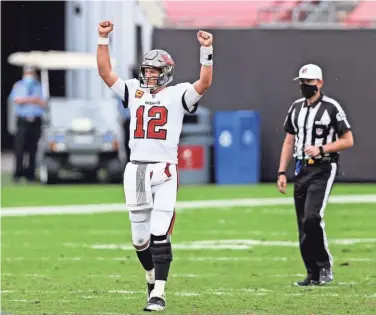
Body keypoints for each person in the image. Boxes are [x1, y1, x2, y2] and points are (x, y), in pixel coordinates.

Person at [96, 20, 213, 311]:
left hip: (164, 169)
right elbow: (105, 72)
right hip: (135, 169)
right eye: (146, 70)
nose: (148, 75)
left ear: (165, 73)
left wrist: (206, 50)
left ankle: (158, 293)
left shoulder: (178, 93)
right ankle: (150, 278)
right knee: (139, 239)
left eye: (153, 71)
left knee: (160, 231)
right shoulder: (134, 90)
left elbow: (204, 83)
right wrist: (102, 39)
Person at [277, 64, 354, 286]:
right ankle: (312, 272)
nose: (305, 86)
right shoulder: (296, 108)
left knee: (312, 217)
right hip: (301, 168)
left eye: (309, 82)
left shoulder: (331, 107)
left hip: (323, 167)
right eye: (302, 82)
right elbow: (289, 140)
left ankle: (324, 266)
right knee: (302, 222)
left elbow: (348, 140)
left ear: (319, 83)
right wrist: (282, 170)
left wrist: (322, 149)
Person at [9, 66, 46, 182]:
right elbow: (16, 100)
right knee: (19, 149)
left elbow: (43, 102)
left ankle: (30, 174)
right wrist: (32, 100)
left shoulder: (39, 86)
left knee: (33, 149)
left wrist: (30, 100)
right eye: (27, 73)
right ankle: (18, 173)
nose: (29, 75)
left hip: (35, 120)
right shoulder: (19, 85)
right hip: (23, 120)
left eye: (31, 73)